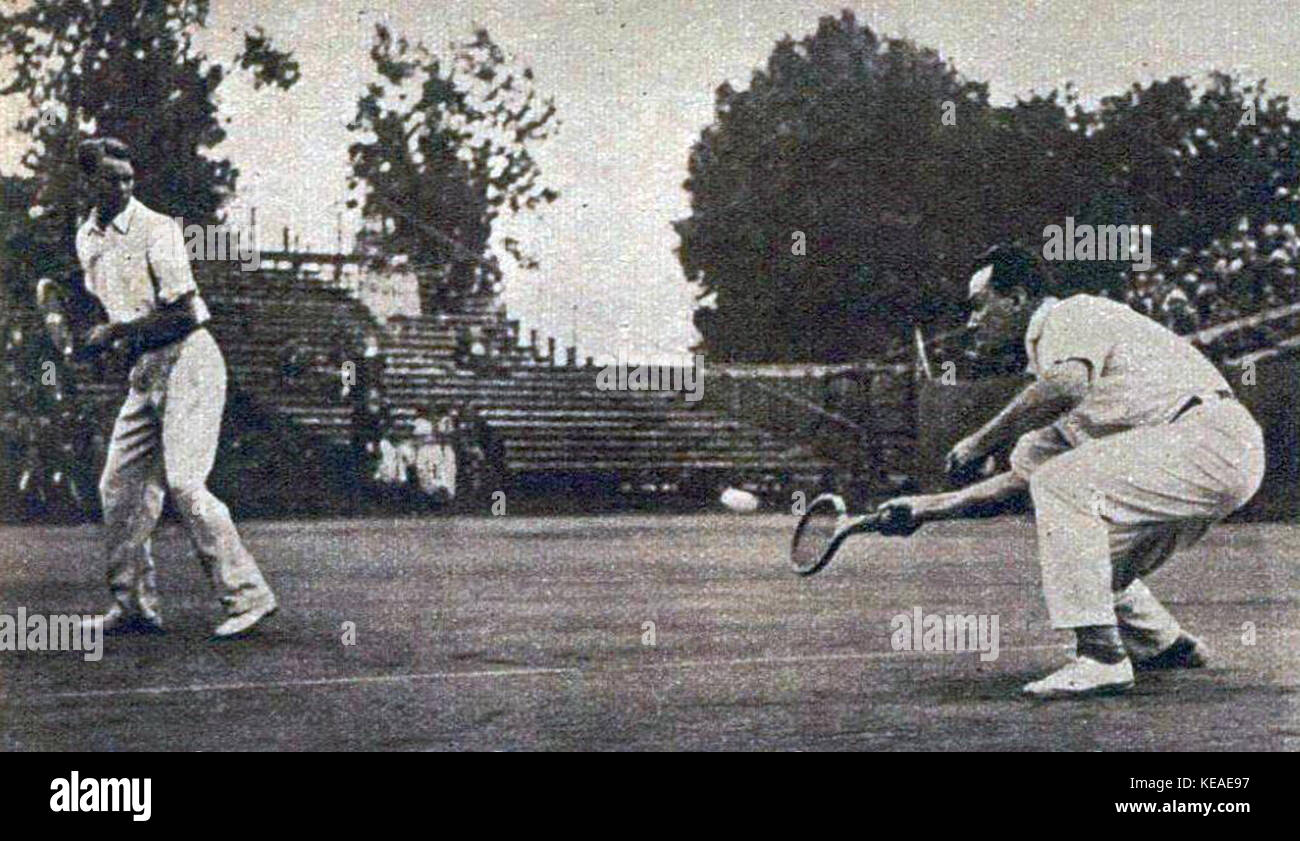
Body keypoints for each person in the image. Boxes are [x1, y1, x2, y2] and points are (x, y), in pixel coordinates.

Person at [876, 245, 1265, 699]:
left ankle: (1100, 658)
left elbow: (1065, 387)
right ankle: (1165, 645)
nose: (973, 321)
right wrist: (924, 510)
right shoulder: (1055, 382)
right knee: (1092, 562)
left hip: (1209, 439)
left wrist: (981, 441)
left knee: (1061, 485)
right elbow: (1018, 483)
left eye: (981, 305)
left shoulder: (1072, 316)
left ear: (1018, 298)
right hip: (1209, 459)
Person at [67, 136, 277, 638]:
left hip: (191, 358)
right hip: (145, 368)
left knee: (185, 482)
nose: (122, 186)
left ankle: (248, 596)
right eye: (110, 177)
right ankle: (135, 604)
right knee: (117, 489)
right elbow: (116, 312)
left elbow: (182, 312)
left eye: (127, 177)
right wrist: (107, 338)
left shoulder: (158, 229)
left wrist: (113, 333)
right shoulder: (85, 239)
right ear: (88, 181)